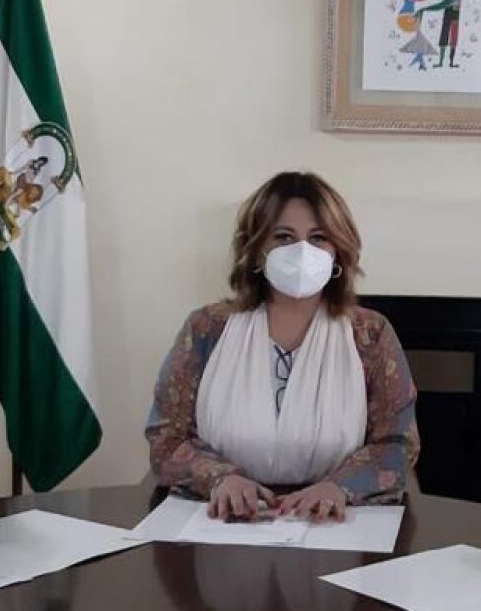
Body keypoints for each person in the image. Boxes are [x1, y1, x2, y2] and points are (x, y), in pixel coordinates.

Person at [147, 171, 418, 522]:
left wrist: (338, 488)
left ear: (338, 251)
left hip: (331, 518)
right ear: (256, 248)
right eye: (283, 237)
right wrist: (220, 478)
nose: (302, 251)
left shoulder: (370, 334)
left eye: (318, 238)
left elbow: (397, 443)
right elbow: (166, 437)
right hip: (226, 516)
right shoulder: (206, 329)